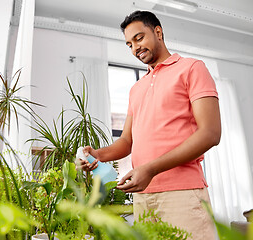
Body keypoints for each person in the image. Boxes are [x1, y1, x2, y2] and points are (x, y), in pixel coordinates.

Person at [77, 10, 221, 240]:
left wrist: (151, 169)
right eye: (129, 44)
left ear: (158, 32)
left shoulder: (192, 68)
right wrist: (97, 154)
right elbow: (126, 142)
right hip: (143, 196)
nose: (135, 48)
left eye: (139, 38)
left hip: (182, 193)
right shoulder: (137, 89)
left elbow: (211, 133)